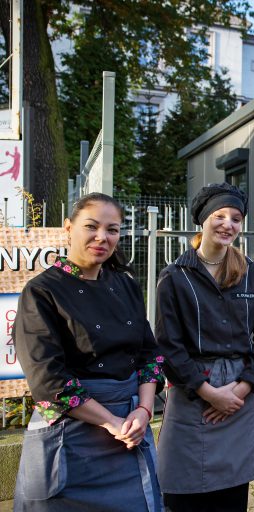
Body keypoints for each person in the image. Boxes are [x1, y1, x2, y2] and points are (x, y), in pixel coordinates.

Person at [12, 192, 164, 511]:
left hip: (130, 428)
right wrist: (110, 422)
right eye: (91, 226)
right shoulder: (41, 291)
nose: (102, 237)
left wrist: (144, 411)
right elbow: (48, 380)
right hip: (71, 434)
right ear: (68, 228)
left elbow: (150, 356)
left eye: (112, 229)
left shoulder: (125, 285)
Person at [155, 183, 254, 512]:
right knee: (181, 492)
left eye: (236, 218)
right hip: (192, 393)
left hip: (240, 393)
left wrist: (242, 387)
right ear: (203, 221)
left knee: (232, 494)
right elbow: (167, 345)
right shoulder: (175, 277)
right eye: (219, 216)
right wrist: (208, 393)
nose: (228, 224)